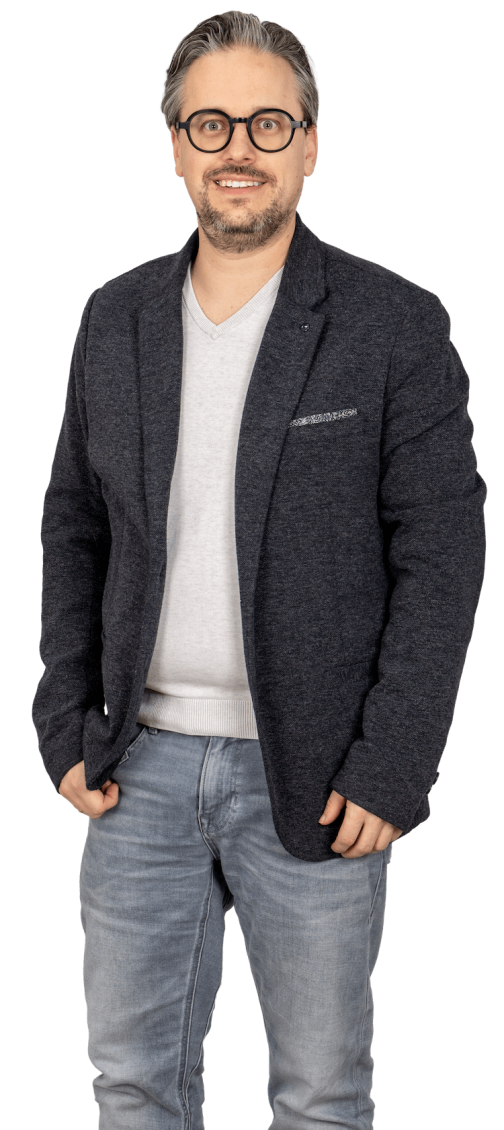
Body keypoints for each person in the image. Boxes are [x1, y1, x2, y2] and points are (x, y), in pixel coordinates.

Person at [31, 11, 487, 1130]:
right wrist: (61, 720)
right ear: (176, 147)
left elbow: (443, 552)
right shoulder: (115, 318)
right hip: (134, 769)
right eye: (212, 123)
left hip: (321, 779)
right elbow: (73, 525)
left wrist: (394, 763)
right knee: (132, 1089)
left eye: (269, 122)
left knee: (321, 1097)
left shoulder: (393, 323)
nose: (239, 147)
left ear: (311, 143)